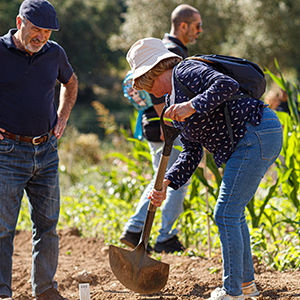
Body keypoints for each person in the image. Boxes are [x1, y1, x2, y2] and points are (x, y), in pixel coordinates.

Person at [126, 38, 283, 300]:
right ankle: (245, 287)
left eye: (143, 80)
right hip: (250, 140)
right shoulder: (170, 101)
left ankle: (231, 292)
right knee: (233, 213)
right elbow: (191, 151)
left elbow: (226, 84)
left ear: (154, 70)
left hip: (256, 132)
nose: (144, 88)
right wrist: (166, 182)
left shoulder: (185, 71)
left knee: (225, 213)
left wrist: (191, 106)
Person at [0, 0, 78, 299]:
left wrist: (63, 117)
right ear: (20, 22)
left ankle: (45, 289)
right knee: (3, 228)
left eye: (47, 31)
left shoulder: (54, 53)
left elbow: (71, 83)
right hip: (7, 152)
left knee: (47, 226)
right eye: (37, 29)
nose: (42, 37)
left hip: (45, 152)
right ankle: (2, 291)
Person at [120, 4, 203, 253]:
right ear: (183, 25)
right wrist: (175, 127)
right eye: (197, 25)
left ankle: (136, 231)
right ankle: (162, 235)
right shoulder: (170, 51)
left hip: (160, 125)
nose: (200, 30)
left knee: (163, 178)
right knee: (171, 179)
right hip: (165, 127)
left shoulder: (172, 49)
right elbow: (160, 97)